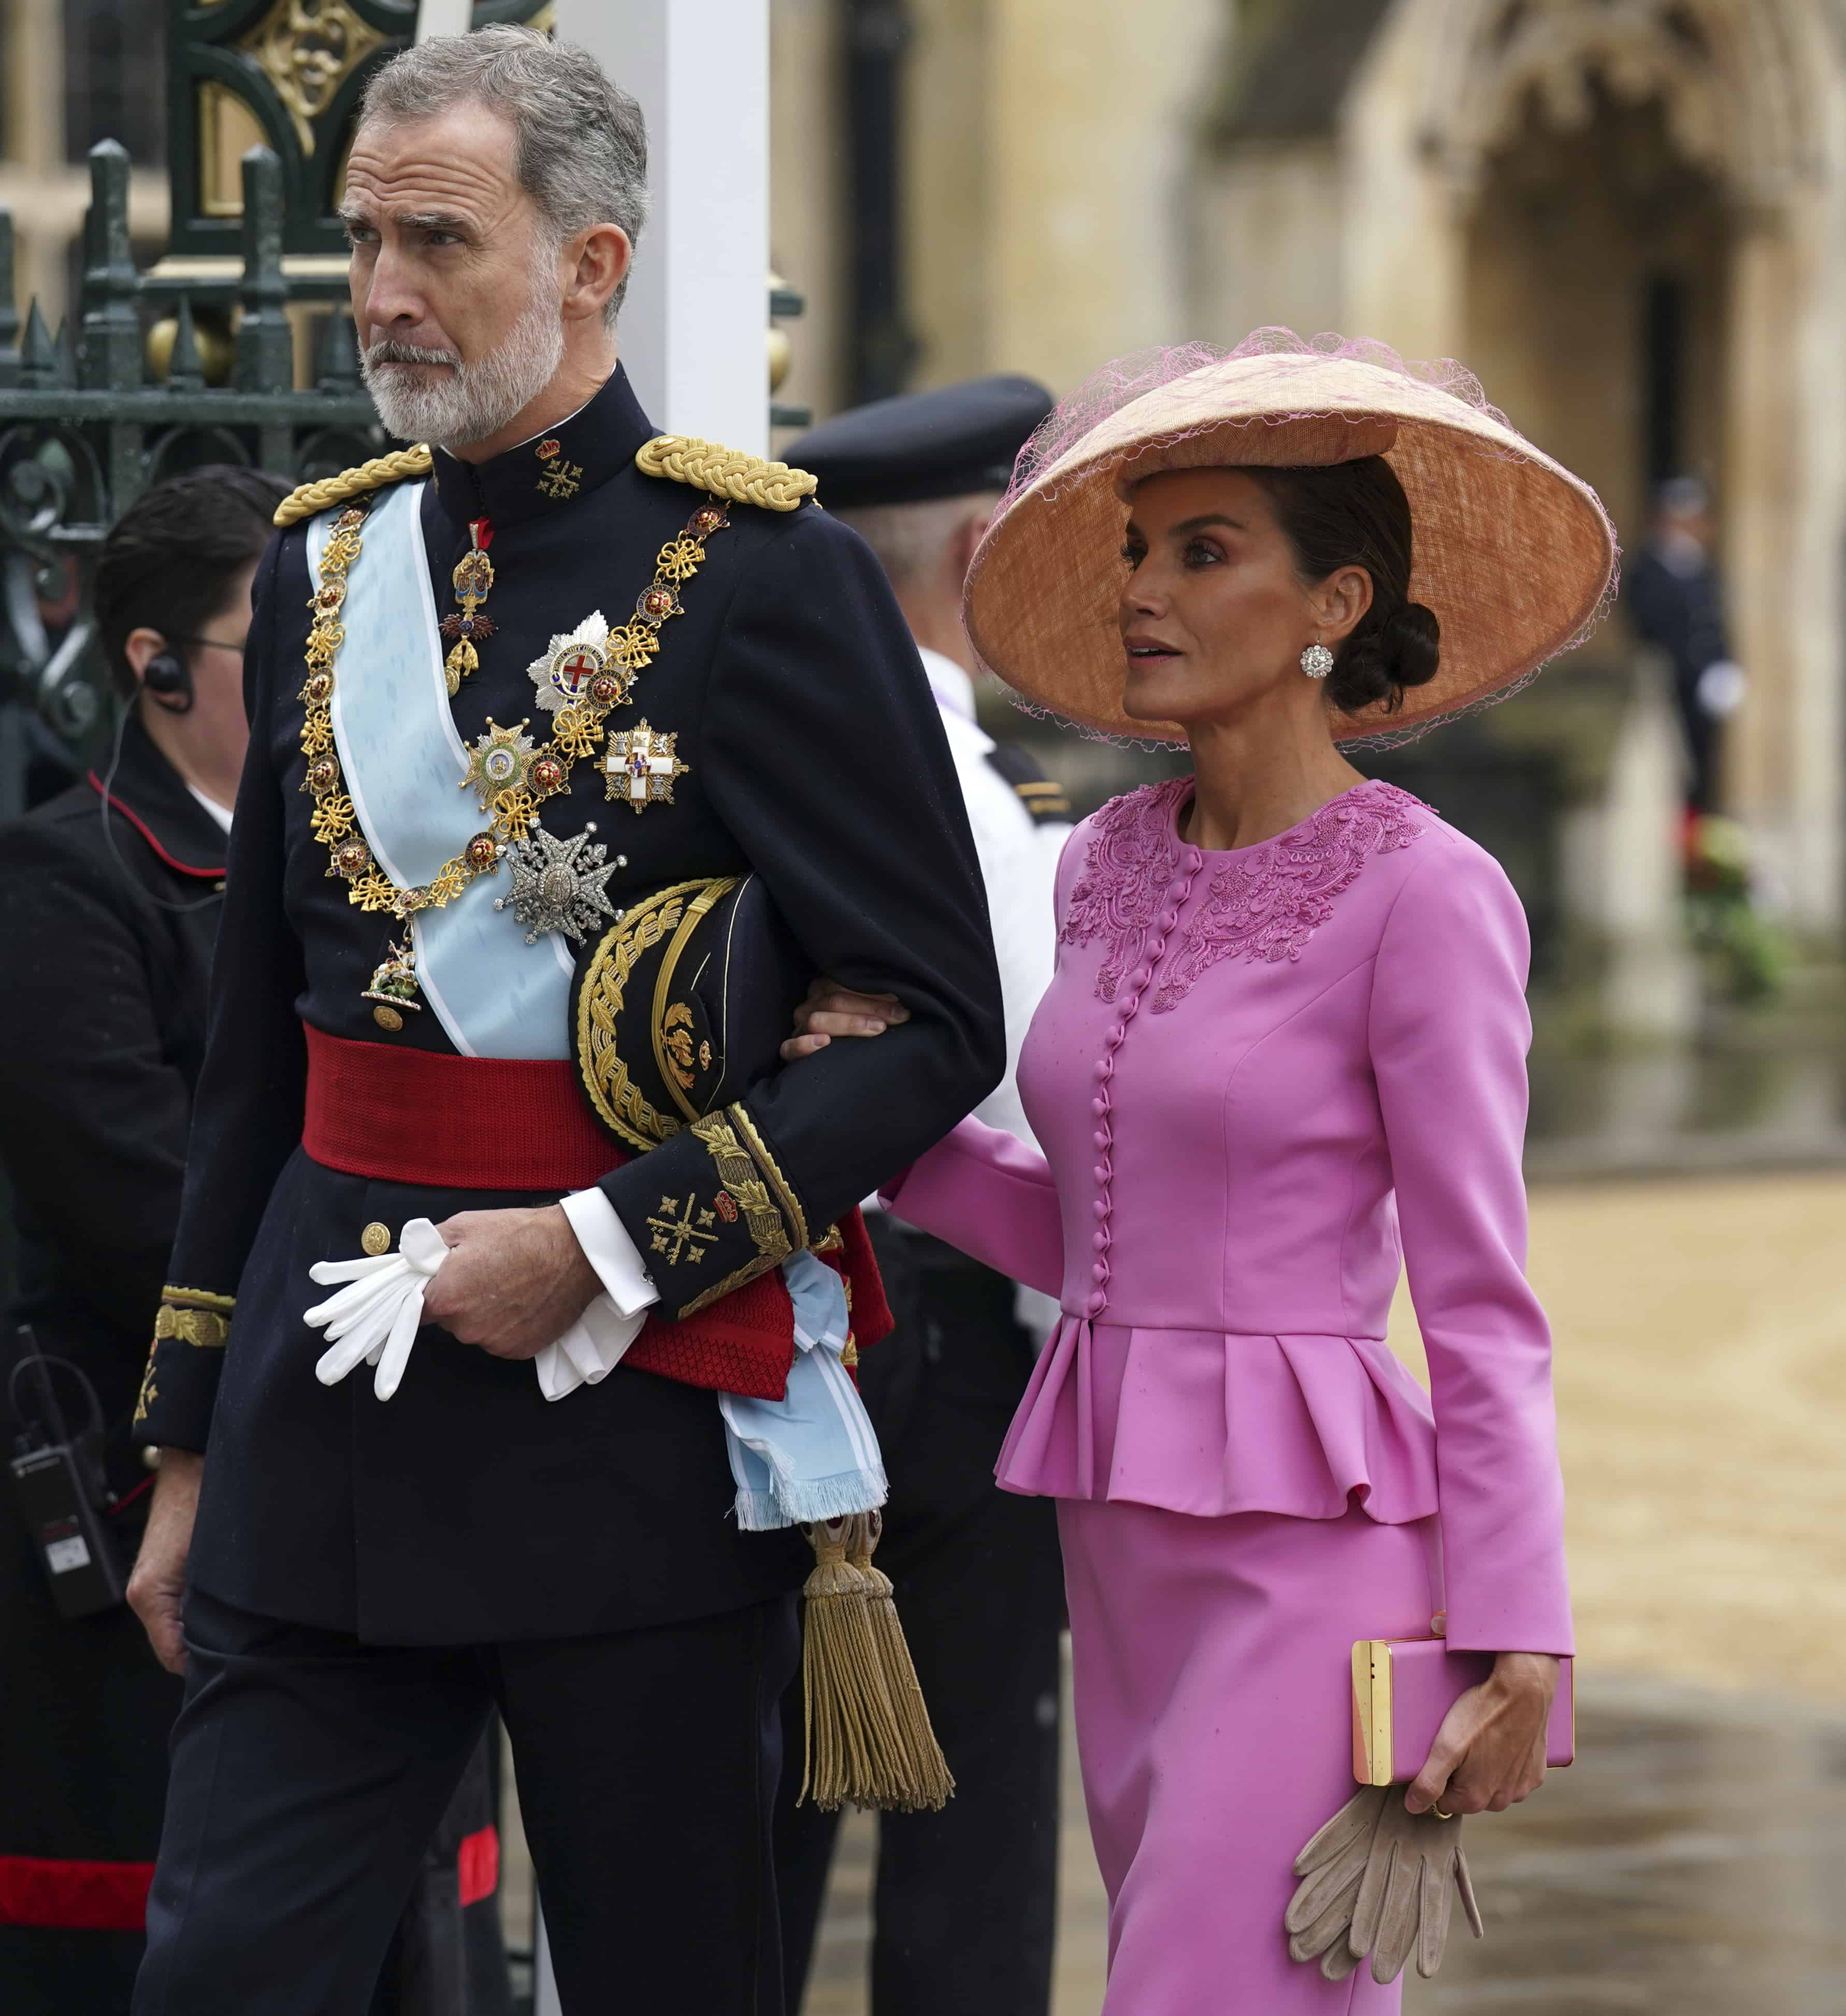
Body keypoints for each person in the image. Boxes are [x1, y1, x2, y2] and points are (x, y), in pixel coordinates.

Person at [124, 25, 1001, 2016]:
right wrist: (185, 1443)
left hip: (628, 1426)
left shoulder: (767, 577)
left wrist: (612, 1242)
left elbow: (932, 1014)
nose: (381, 294)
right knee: (222, 1972)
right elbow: (261, 1054)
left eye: (439, 239)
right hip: (324, 1409)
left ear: (592, 261)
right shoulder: (324, 559)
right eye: (361, 239)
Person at [791, 330, 1613, 2010]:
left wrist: (1520, 1633)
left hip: (1314, 1559)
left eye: (1204, 550)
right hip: (1119, 1538)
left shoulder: (1426, 894)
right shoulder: (1097, 861)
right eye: (1134, 552)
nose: (1145, 592)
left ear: (1333, 603)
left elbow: (1478, 1300)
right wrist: (872, 1133)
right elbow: (1091, 1226)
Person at [0, 467, 510, 2016]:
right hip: (156, 1496)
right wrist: (433, 1272)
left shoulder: (404, 882)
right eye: (277, 647)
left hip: (401, 1467)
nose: (330, 693)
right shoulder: (64, 879)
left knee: (419, 1930)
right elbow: (149, 1209)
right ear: (155, 666)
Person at [774, 379, 1068, 2016]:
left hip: (766, 1312)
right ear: (978, 544)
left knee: (765, 1806)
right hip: (940, 1330)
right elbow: (1043, 1076)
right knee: (969, 1827)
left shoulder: (771, 739)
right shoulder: (962, 775)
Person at [1624, 474, 1742, 814]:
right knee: (1673, 767)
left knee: (1704, 767)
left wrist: (1724, 664)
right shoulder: (1649, 568)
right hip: (1669, 684)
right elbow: (1654, 624)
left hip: (1705, 688)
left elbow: (1715, 622)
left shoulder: (1701, 568)